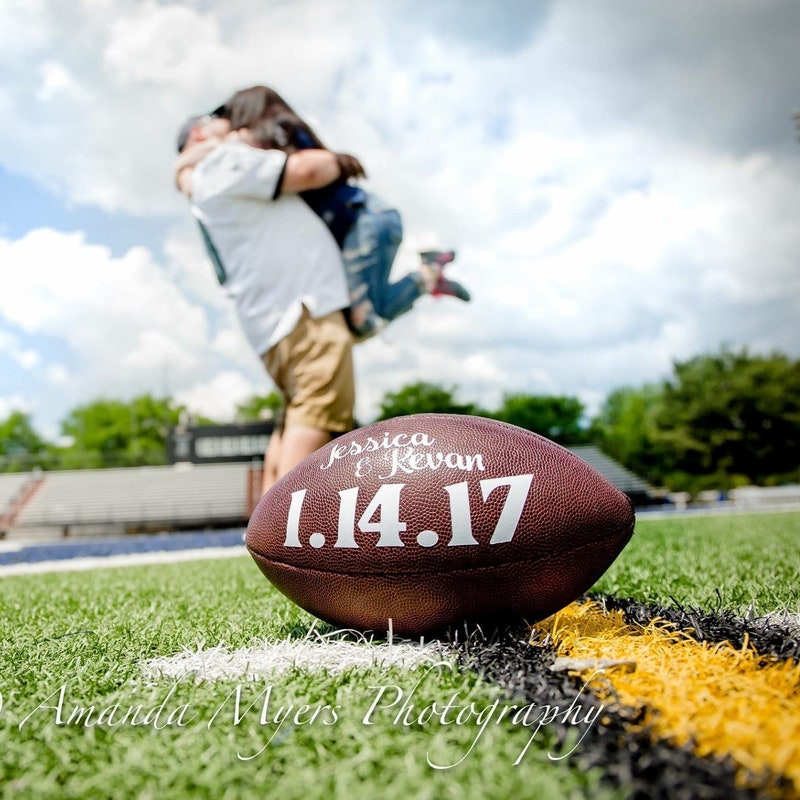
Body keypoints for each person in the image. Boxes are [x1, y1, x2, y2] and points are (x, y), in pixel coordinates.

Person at [175, 115, 359, 494]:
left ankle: (265, 527)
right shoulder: (223, 161)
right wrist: (342, 161)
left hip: (278, 317)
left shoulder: (204, 176)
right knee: (317, 412)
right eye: (216, 120)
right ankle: (282, 528)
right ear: (198, 134)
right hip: (302, 306)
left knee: (298, 417)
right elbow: (308, 170)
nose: (228, 121)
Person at [205, 85, 471, 340]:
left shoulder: (276, 130)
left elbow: (295, 168)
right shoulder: (285, 131)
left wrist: (225, 141)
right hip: (366, 221)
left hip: (365, 220)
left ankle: (427, 275)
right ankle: (428, 276)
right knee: (360, 322)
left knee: (364, 321)